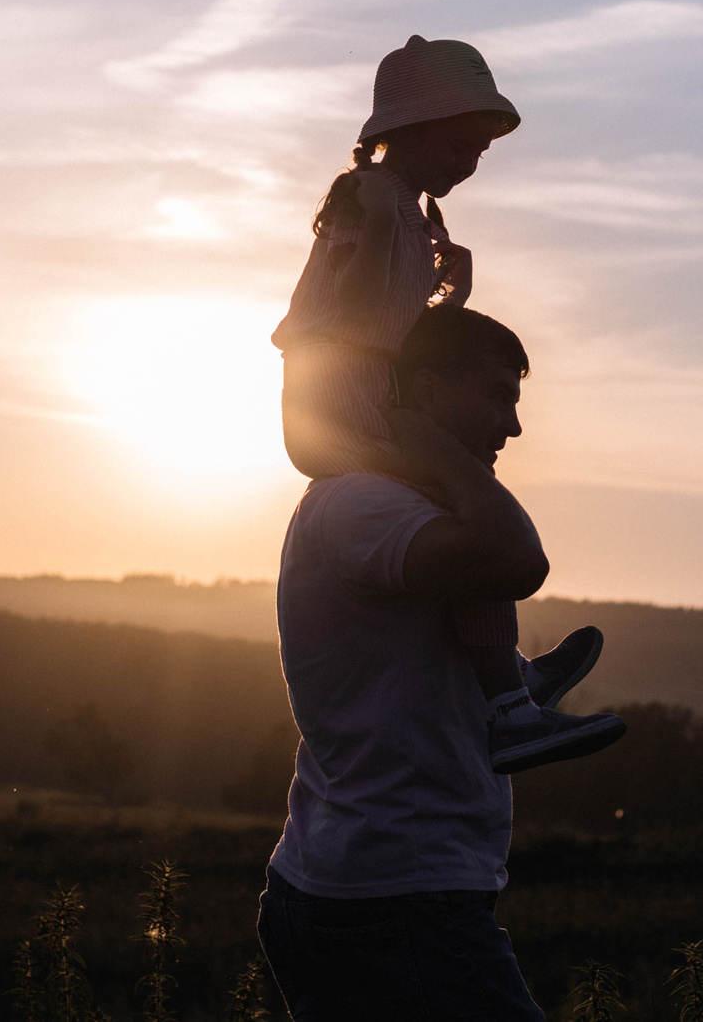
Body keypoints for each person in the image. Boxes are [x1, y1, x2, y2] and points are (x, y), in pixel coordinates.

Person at [272, 34, 620, 772]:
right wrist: (425, 301)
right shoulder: (377, 200)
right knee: (467, 507)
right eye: (462, 144)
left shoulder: (393, 205)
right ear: (417, 128)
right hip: (344, 411)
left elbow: (371, 318)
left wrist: (443, 293)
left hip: (343, 403)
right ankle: (510, 702)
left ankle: (509, 686)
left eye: (478, 152)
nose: (468, 162)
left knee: (459, 505)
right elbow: (365, 321)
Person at [261, 306, 617, 1021]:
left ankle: (513, 681)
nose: (512, 427)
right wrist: (433, 451)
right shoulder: (361, 503)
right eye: (497, 396)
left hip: (374, 888)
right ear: (423, 391)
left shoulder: (386, 503)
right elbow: (516, 558)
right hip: (396, 900)